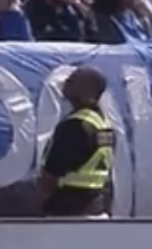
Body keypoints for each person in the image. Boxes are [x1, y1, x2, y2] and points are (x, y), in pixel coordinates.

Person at [36, 67, 115, 218]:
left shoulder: (75, 127)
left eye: (73, 80)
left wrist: (45, 202)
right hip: (95, 210)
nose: (66, 82)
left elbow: (50, 176)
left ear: (88, 90)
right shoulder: (103, 125)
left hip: (68, 215)